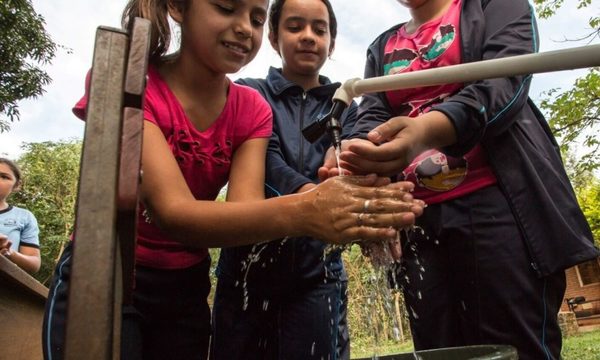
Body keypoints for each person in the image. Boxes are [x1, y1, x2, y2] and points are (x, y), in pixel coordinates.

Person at [42, 1, 425, 360]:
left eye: (256, 19)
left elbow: (243, 217)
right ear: (177, 7)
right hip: (107, 272)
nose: (244, 28)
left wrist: (355, 183)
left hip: (186, 287)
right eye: (226, 7)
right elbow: (173, 213)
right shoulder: (130, 81)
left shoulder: (250, 108)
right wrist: (310, 206)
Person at [319, 0, 600, 359]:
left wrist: (423, 131)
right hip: (417, 220)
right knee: (439, 348)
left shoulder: (495, 7)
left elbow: (502, 86)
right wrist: (356, 154)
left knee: (514, 346)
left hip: (501, 208)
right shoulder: (381, 47)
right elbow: (371, 112)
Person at [211, 0, 357, 359]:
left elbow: (351, 157)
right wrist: (313, 194)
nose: (308, 37)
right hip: (245, 273)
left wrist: (345, 166)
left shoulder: (348, 107)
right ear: (273, 37)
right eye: (295, 27)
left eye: (319, 30)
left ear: (332, 42)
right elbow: (267, 162)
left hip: (318, 275)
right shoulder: (248, 93)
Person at [0, 158, 41, 274]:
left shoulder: (24, 217)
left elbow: (34, 265)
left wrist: (9, 252)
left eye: (4, 176)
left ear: (16, 185)